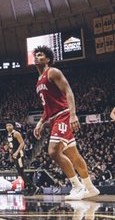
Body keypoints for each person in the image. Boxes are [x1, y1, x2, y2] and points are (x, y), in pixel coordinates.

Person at [30, 46, 99, 200]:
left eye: (40, 55)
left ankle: (77, 186)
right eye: (35, 55)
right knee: (73, 154)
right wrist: (40, 122)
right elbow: (48, 107)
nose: (36, 57)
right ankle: (90, 187)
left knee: (53, 151)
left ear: (47, 59)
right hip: (54, 117)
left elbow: (68, 91)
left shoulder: (53, 72)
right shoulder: (38, 81)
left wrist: (73, 114)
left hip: (63, 115)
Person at [4, 123, 26, 189]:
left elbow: (22, 143)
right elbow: (11, 146)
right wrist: (8, 148)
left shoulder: (16, 133)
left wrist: (16, 152)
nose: (8, 127)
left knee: (21, 171)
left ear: (13, 126)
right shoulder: (8, 135)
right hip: (15, 155)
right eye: (7, 126)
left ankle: (30, 185)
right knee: (19, 171)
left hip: (19, 154)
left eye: (10, 125)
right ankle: (28, 185)